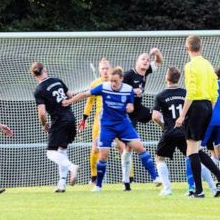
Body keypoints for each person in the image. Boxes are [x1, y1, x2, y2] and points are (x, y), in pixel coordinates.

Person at [65, 66, 160, 192]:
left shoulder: (128, 89)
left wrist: (129, 108)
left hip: (123, 124)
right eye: (111, 81)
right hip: (107, 126)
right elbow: (85, 94)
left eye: (115, 81)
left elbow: (131, 105)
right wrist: (69, 101)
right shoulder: (104, 87)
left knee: (140, 148)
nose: (113, 83)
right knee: (103, 155)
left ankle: (156, 178)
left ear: (121, 79)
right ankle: (98, 185)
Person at [175, 35, 220, 198]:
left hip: (197, 106)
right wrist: (209, 109)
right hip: (207, 106)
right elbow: (215, 92)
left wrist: (182, 115)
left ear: (187, 48)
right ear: (201, 47)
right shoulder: (208, 65)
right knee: (195, 150)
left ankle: (200, 189)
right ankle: (219, 179)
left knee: (191, 150)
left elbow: (191, 92)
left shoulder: (190, 66)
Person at [31, 62, 79, 193]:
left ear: (34, 75)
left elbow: (41, 113)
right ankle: (61, 184)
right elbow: (70, 96)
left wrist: (44, 124)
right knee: (62, 150)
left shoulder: (39, 90)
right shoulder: (57, 81)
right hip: (70, 118)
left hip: (59, 121)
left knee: (50, 153)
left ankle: (71, 167)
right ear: (45, 70)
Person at [120, 48, 164, 190]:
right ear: (136, 62)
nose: (145, 61)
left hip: (138, 109)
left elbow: (158, 62)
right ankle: (126, 180)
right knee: (129, 147)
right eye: (142, 59)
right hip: (127, 112)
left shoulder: (146, 72)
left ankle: (166, 129)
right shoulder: (128, 75)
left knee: (156, 115)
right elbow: (116, 88)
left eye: (147, 59)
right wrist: (132, 91)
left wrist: (156, 53)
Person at [152, 66, 189, 196]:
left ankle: (167, 189)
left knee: (159, 159)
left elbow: (155, 116)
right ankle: (196, 186)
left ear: (166, 77)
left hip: (169, 132)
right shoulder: (186, 93)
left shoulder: (161, 96)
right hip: (184, 131)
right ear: (179, 78)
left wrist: (163, 126)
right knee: (192, 157)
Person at [78, 58, 111, 184]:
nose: (105, 71)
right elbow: (89, 102)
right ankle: (94, 178)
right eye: (103, 68)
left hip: (115, 119)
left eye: (107, 68)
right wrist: (84, 118)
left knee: (123, 147)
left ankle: (129, 179)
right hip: (99, 120)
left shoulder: (116, 82)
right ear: (99, 70)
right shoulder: (95, 84)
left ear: (111, 69)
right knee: (95, 148)